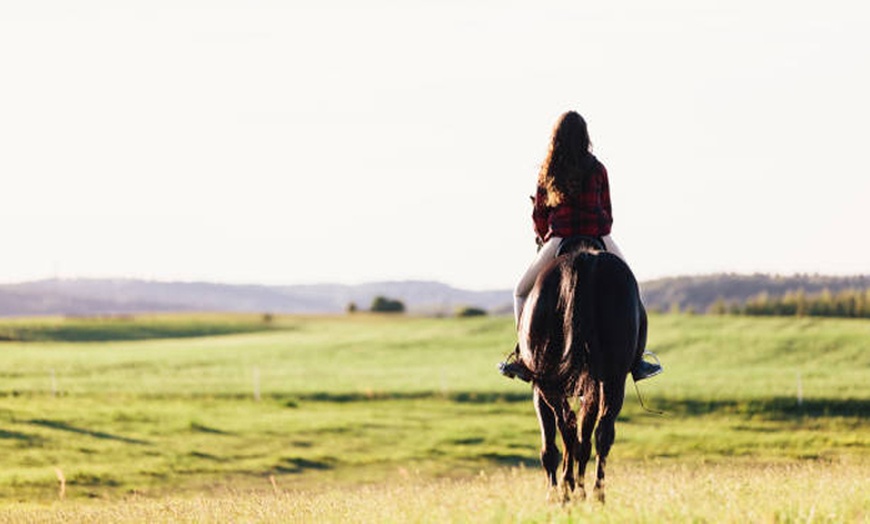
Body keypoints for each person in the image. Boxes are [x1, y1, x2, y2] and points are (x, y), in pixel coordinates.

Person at [499, 111, 662, 382]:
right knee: (632, 287)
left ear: (556, 138)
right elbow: (607, 213)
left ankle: (524, 358)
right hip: (598, 234)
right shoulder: (598, 169)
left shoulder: (547, 170)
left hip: (560, 238)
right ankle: (637, 361)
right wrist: (598, 230)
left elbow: (540, 214)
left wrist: (546, 236)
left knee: (520, 292)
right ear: (585, 136)